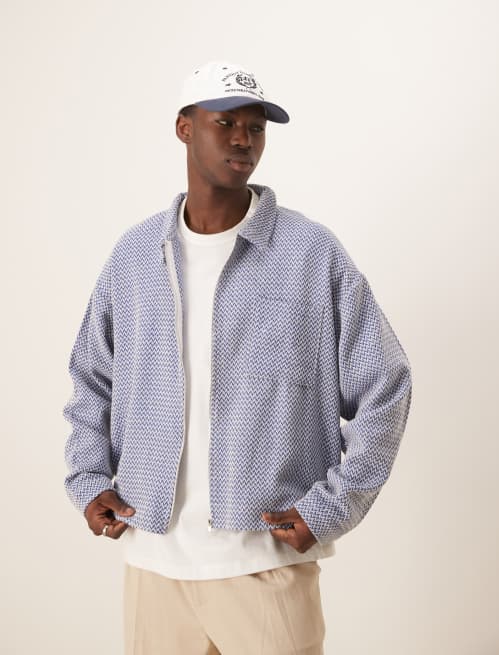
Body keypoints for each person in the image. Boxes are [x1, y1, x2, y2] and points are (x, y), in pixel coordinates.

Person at [63, 60, 413, 655]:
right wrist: (89, 480)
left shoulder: (309, 253)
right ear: (184, 128)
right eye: (224, 122)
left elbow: (385, 383)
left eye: (255, 127)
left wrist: (332, 507)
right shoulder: (136, 255)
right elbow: (92, 377)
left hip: (264, 563)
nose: (242, 140)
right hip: (153, 564)